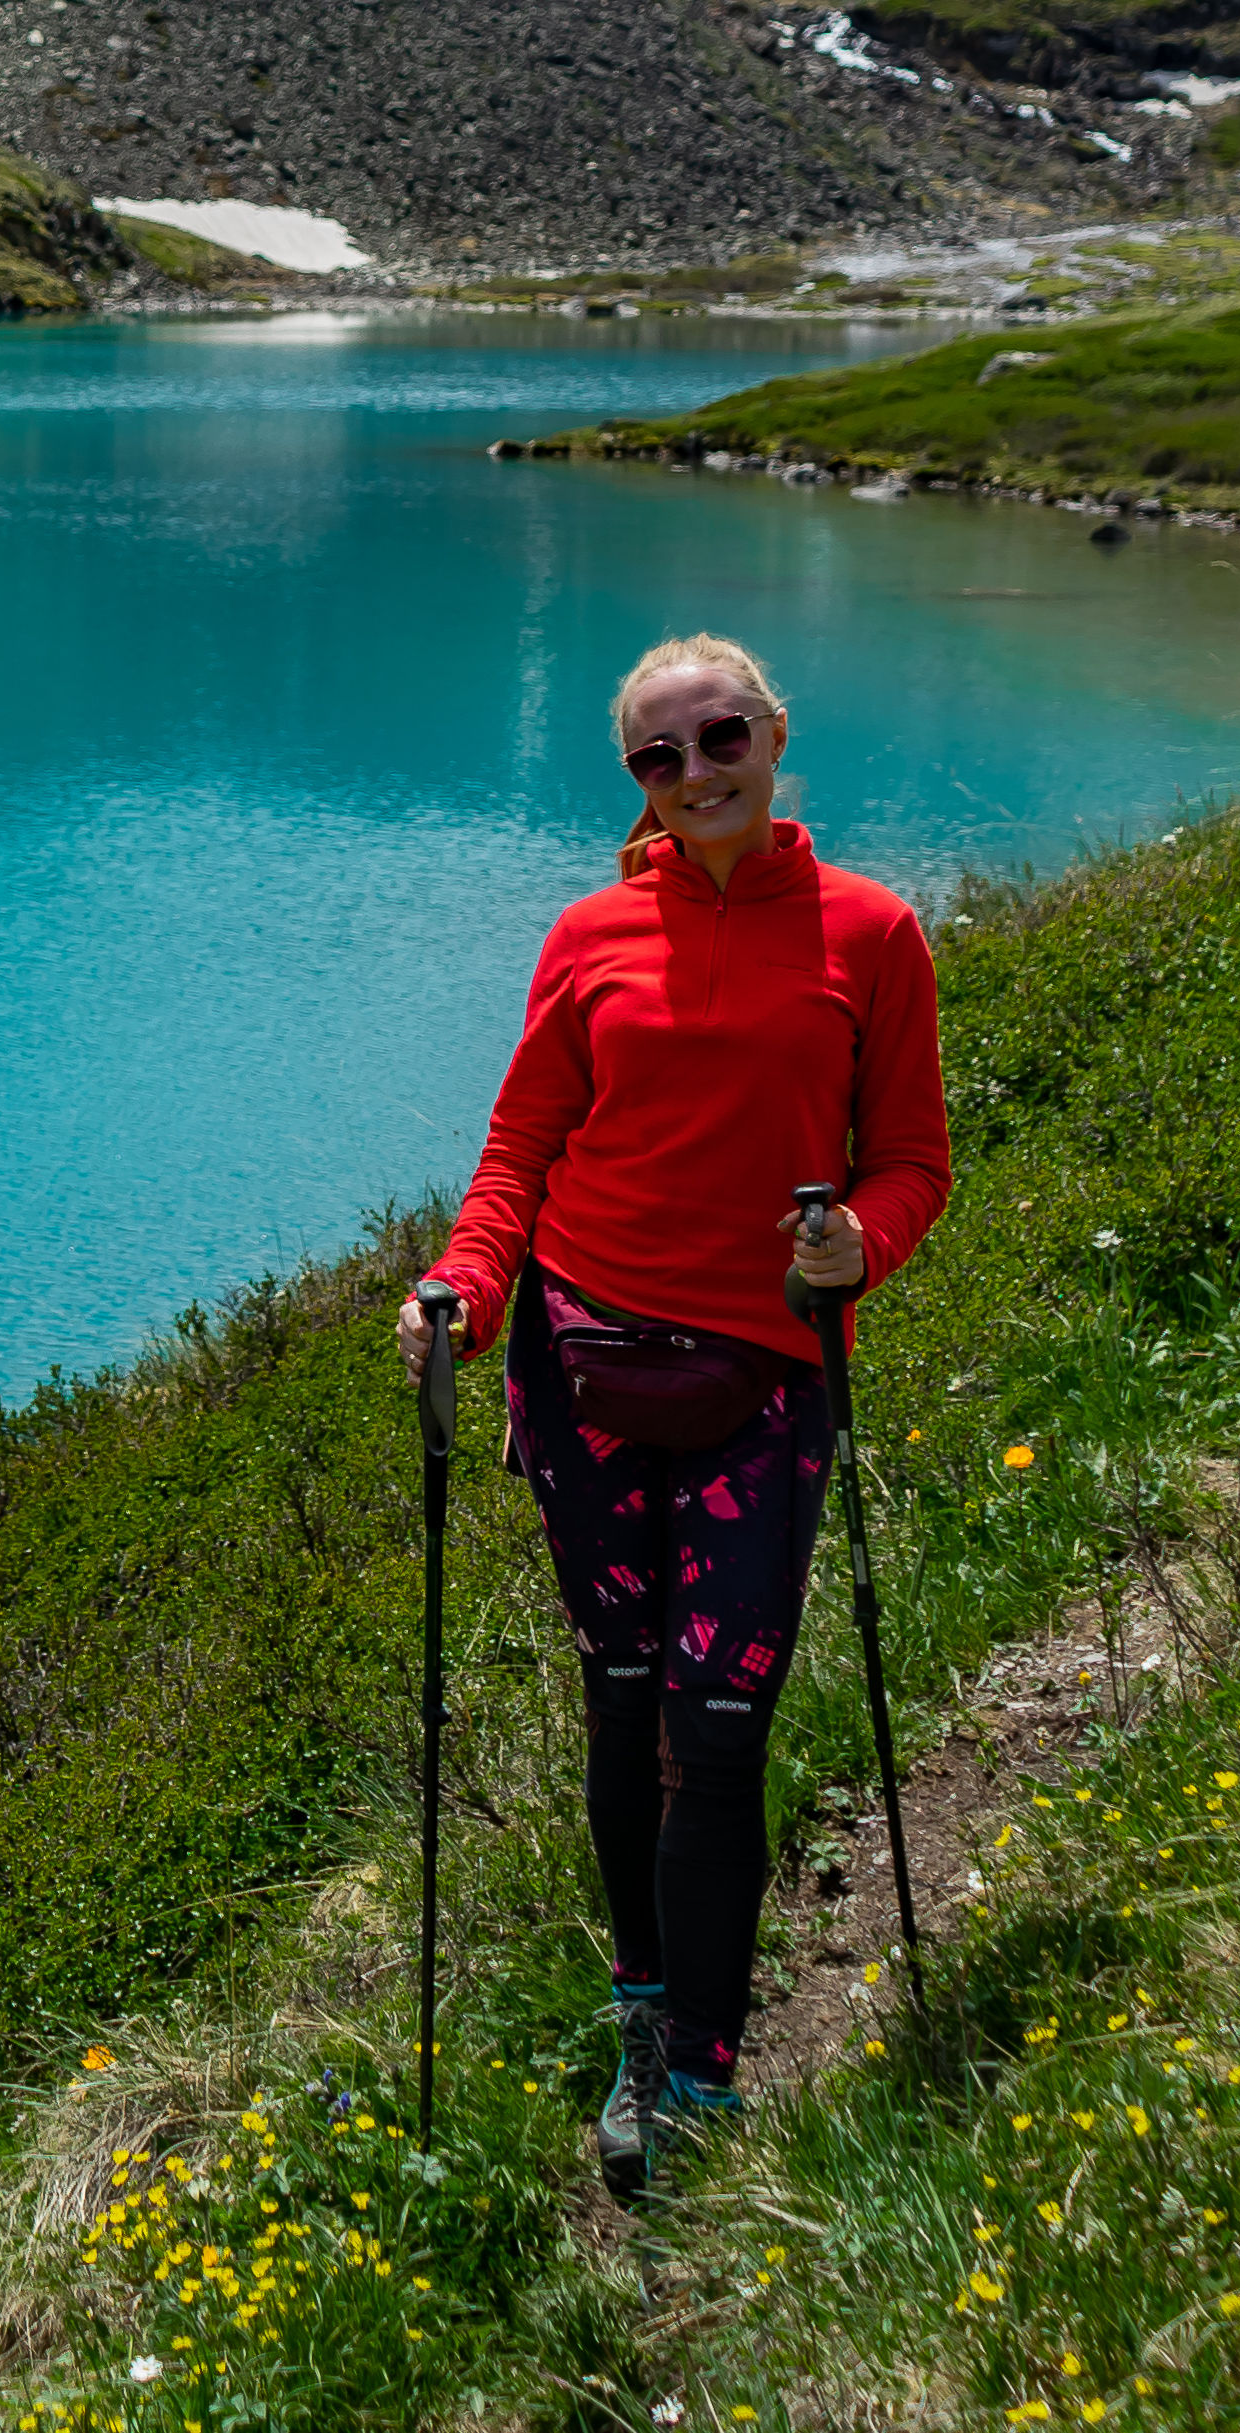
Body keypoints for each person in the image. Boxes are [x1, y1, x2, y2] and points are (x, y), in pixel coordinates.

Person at [400, 631, 948, 2182]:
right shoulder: (585, 934)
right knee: (623, 1696)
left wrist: (861, 1242)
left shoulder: (871, 932)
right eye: (658, 755)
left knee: (719, 1728)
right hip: (576, 1367)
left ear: (773, 732)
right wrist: (462, 1287)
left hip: (762, 1378)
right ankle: (646, 2018)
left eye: (718, 738)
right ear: (633, 779)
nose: (694, 773)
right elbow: (520, 1152)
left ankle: (702, 2074)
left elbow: (909, 1155)